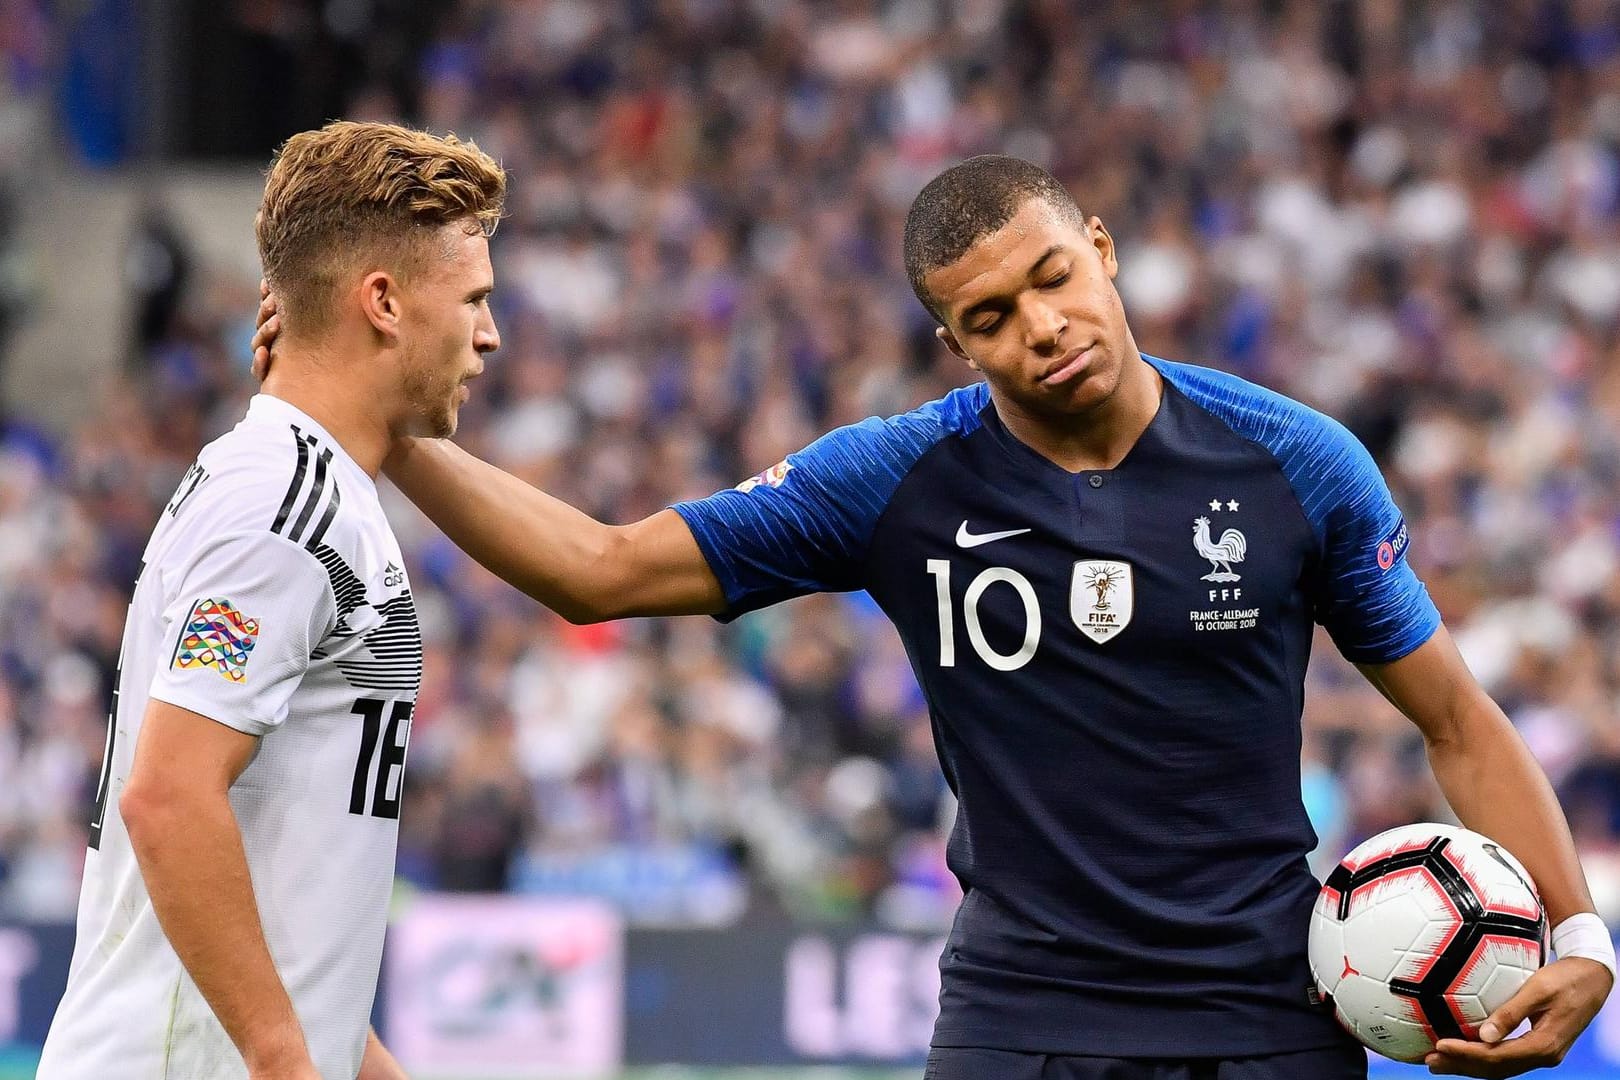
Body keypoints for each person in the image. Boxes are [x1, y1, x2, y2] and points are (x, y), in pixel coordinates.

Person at [256, 154, 1613, 1078]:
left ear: (1102, 248)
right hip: (1019, 1021)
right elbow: (601, 569)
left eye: (1053, 279)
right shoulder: (899, 479)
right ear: (954, 342)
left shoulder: (1294, 462)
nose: (1041, 326)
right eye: (990, 315)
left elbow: (1454, 715)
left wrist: (1579, 934)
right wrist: (392, 433)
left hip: (1262, 1017)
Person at [41, 120, 504, 1080]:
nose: (490, 335)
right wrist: (286, 1061)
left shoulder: (323, 495)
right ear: (382, 302)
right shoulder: (278, 507)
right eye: (474, 301)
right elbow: (167, 797)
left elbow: (291, 881)